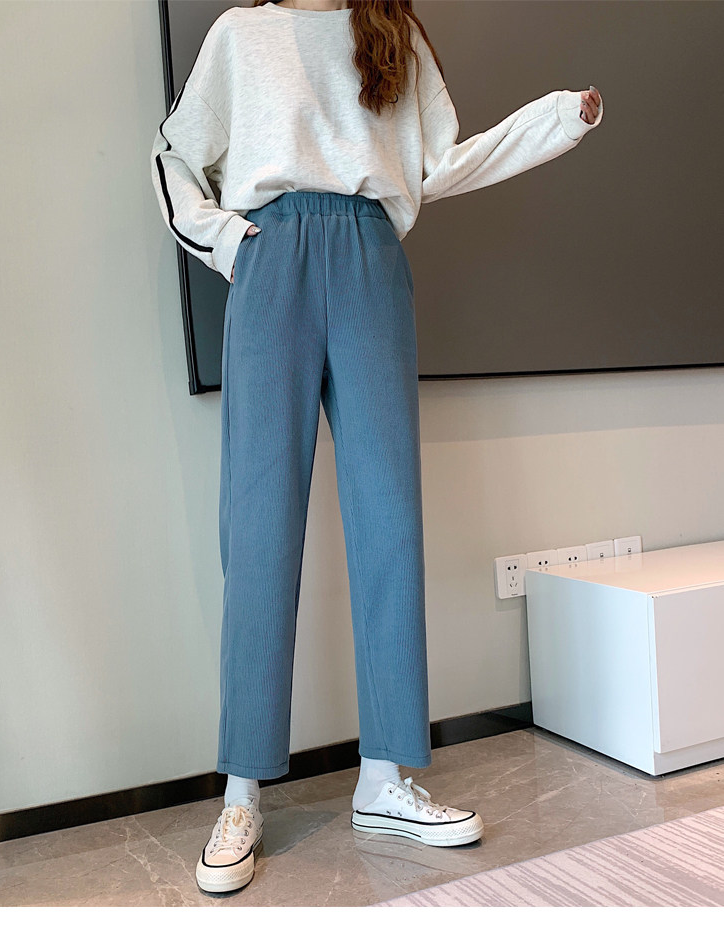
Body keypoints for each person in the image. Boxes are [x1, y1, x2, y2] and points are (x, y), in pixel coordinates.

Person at [151, 0, 603, 896]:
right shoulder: (241, 34)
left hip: (368, 258)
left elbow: (442, 161)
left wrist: (557, 120)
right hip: (271, 256)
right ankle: (240, 793)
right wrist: (229, 241)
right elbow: (174, 157)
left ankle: (385, 776)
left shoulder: (390, 31)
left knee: (389, 520)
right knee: (259, 527)